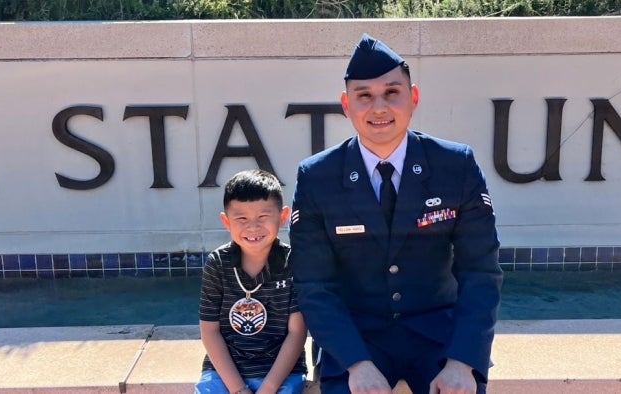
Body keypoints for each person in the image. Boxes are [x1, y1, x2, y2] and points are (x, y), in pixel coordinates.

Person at [288, 34, 502, 394]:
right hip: (357, 336)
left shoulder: (455, 166)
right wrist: (356, 363)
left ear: (413, 97)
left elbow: (480, 272)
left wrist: (463, 360)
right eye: (364, 96)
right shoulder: (317, 177)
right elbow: (314, 286)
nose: (379, 108)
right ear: (346, 104)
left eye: (391, 93)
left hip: (439, 336)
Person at [196, 169, 307, 394]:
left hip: (281, 372)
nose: (253, 227)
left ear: (283, 216)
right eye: (242, 219)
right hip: (225, 372)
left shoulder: (293, 262)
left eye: (263, 217)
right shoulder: (218, 263)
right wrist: (238, 389)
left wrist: (269, 387)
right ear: (226, 221)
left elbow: (297, 332)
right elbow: (209, 331)